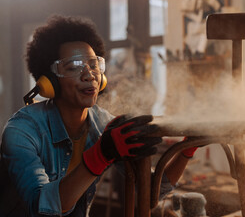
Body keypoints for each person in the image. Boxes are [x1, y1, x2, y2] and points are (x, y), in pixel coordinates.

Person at [0, 15, 198, 217]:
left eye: (94, 65)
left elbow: (149, 196)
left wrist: (187, 147)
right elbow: (42, 208)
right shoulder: (21, 131)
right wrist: (100, 155)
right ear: (51, 81)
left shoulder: (102, 123)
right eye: (74, 67)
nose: (89, 75)